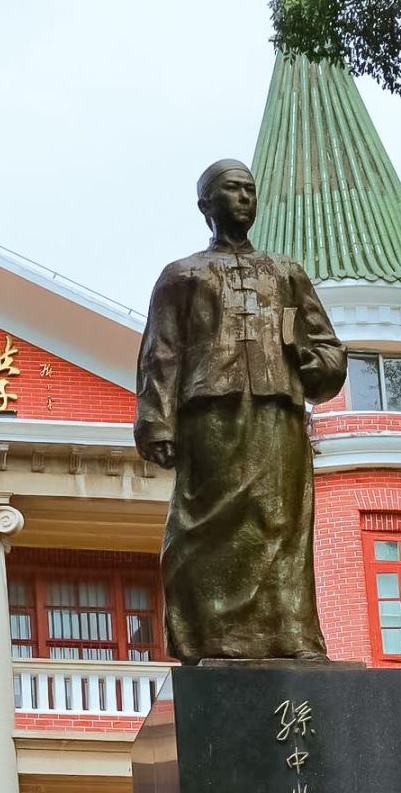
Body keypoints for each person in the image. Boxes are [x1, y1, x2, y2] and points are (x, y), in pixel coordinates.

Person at [135, 158, 347, 662]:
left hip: (277, 413)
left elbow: (329, 349)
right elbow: (161, 352)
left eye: (250, 190)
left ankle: (291, 634)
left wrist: (311, 361)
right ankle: (209, 635)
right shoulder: (182, 275)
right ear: (206, 204)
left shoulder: (286, 273)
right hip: (209, 414)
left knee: (280, 520)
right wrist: (157, 421)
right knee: (206, 524)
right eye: (233, 189)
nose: (245, 198)